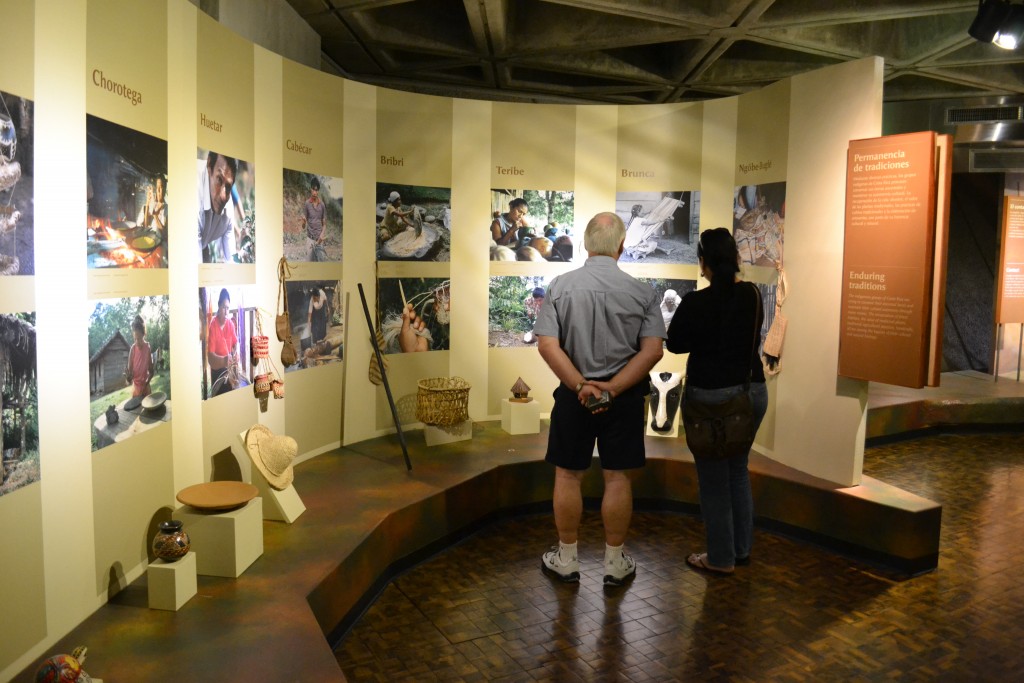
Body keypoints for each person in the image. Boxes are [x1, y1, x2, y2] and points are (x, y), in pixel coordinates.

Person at [533, 211, 665, 585]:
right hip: (622, 399)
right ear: (622, 246)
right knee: (617, 478)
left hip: (575, 397)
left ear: (586, 244)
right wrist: (614, 387)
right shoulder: (642, 293)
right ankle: (614, 561)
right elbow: (652, 350)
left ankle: (567, 557)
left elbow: (547, 345)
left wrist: (580, 385)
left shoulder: (560, 286)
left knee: (568, 474)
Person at [666, 227, 766, 575]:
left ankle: (721, 558)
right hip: (749, 393)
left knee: (712, 479)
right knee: (737, 470)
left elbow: (675, 343)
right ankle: (740, 550)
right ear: (736, 258)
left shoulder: (696, 302)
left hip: (710, 400)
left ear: (703, 262)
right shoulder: (752, 295)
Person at [198, 152, 238, 263]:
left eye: (228, 187)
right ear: (209, 166)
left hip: (202, 244)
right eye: (219, 180)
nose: (223, 196)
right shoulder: (195, 195)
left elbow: (231, 260)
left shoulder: (228, 212)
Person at [207, 288, 239, 396]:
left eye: (228, 308)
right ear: (219, 306)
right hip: (217, 373)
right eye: (223, 307)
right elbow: (210, 357)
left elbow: (236, 343)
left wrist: (235, 352)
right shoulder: (213, 325)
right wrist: (224, 360)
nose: (226, 312)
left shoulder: (230, 324)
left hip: (229, 371)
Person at [124, 315, 153, 398]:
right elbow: (128, 380)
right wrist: (128, 378)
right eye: (136, 339)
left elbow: (151, 372)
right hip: (136, 391)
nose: (138, 343)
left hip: (146, 389)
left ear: (143, 334)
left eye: (139, 339)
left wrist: (146, 384)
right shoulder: (133, 349)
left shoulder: (147, 347)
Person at [301, 177, 327, 261]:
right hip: (310, 239)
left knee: (320, 264)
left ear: (318, 191)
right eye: (313, 189)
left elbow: (324, 224)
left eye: (316, 190)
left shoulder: (322, 205)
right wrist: (304, 222)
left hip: (319, 240)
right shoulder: (307, 204)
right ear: (310, 189)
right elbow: (303, 227)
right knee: (309, 263)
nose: (314, 192)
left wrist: (322, 235)